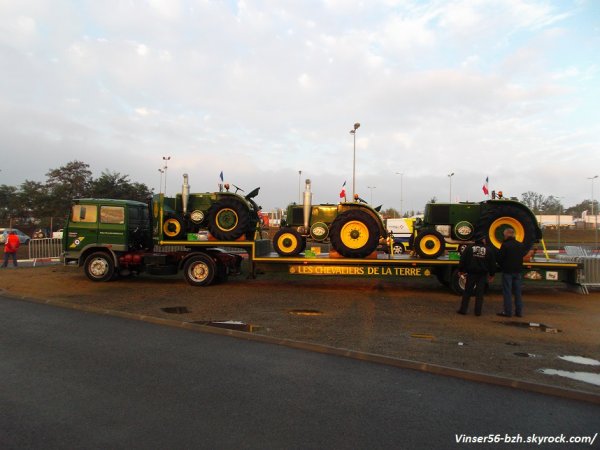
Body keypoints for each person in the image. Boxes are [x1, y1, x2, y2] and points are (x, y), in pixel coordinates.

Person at [457, 233, 496, 316]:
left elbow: (463, 260)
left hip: (471, 273)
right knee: (480, 293)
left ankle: (463, 310)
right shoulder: (488, 250)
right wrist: (492, 274)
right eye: (484, 239)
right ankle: (478, 312)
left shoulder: (469, 248)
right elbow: (492, 263)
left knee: (467, 292)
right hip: (482, 274)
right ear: (482, 240)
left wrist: (461, 270)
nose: (485, 240)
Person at [497, 227, 528, 318]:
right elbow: (523, 255)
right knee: (518, 292)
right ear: (513, 235)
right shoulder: (520, 245)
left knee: (507, 292)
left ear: (506, 235)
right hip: (518, 271)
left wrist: (502, 265)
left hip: (507, 271)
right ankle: (519, 312)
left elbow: (500, 258)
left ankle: (508, 312)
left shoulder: (505, 245)